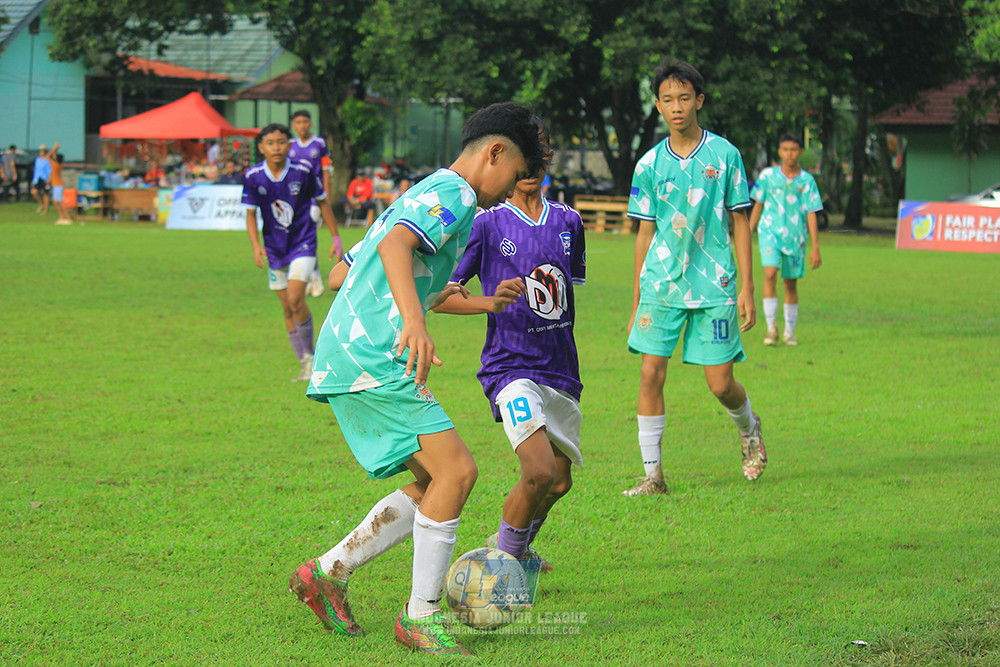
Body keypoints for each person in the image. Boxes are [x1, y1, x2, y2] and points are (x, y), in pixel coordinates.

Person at [290, 102, 545, 656]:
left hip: (354, 353)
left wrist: (478, 303)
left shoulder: (428, 192)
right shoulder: (454, 193)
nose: (511, 190)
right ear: (494, 153)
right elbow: (394, 246)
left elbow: (345, 272)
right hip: (376, 355)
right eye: (515, 173)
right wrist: (411, 322)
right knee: (458, 470)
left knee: (436, 482)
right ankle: (420, 617)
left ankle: (327, 572)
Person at [433, 118, 584, 604]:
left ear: (548, 159)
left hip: (561, 372)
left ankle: (518, 551)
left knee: (558, 482)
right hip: (510, 368)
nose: (532, 165)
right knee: (537, 471)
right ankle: (503, 566)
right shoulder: (486, 222)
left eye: (541, 154)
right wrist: (487, 299)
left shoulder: (569, 222)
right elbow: (442, 295)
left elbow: (563, 295)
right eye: (526, 154)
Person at [623, 59, 765, 496]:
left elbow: (740, 221)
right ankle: (653, 476)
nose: (677, 107)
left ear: (699, 101)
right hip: (661, 285)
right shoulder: (647, 164)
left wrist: (746, 286)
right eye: (668, 99)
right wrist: (635, 303)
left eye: (685, 98)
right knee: (650, 375)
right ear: (658, 105)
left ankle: (750, 431)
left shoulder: (725, 156)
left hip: (715, 283)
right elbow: (644, 232)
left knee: (720, 384)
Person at [241, 123, 343, 383]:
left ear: (289, 145)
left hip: (303, 243)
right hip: (275, 249)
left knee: (296, 298)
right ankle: (305, 360)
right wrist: (255, 246)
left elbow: (323, 202)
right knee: (287, 307)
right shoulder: (253, 176)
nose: (277, 147)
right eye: (271, 143)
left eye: (281, 142)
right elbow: (250, 214)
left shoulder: (303, 171)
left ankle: (312, 359)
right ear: (261, 147)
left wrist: (335, 237)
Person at [748, 133, 823, 346]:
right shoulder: (767, 176)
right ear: (780, 152)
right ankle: (771, 329)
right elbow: (758, 205)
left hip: (795, 238)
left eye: (793, 150)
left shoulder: (807, 181)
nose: (789, 154)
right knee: (769, 273)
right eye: (785, 150)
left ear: (799, 152)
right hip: (769, 233)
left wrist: (815, 246)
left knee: (790, 283)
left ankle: (789, 332)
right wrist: (748, 232)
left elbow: (811, 212)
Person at [288, 109, 333, 298]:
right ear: (293, 126)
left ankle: (315, 279)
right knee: (301, 237)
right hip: (297, 199)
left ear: (310, 124)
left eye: (305, 122)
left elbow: (326, 170)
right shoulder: (290, 146)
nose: (302, 126)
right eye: (298, 122)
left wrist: (326, 196)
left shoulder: (319, 143)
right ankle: (311, 278)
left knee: (307, 234)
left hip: (315, 197)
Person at [47, 145, 71, 224]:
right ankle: (62, 217)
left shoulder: (55, 165)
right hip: (56, 185)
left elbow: (48, 156)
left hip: (58, 185)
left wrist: (54, 148)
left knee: (60, 201)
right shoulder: (58, 165)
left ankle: (67, 218)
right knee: (56, 202)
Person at [31, 145, 52, 214]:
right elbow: (36, 170)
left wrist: (49, 179)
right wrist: (34, 179)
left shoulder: (48, 160)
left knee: (46, 194)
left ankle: (46, 209)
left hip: (44, 178)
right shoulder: (37, 160)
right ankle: (41, 204)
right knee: (34, 192)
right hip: (37, 179)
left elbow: (50, 170)